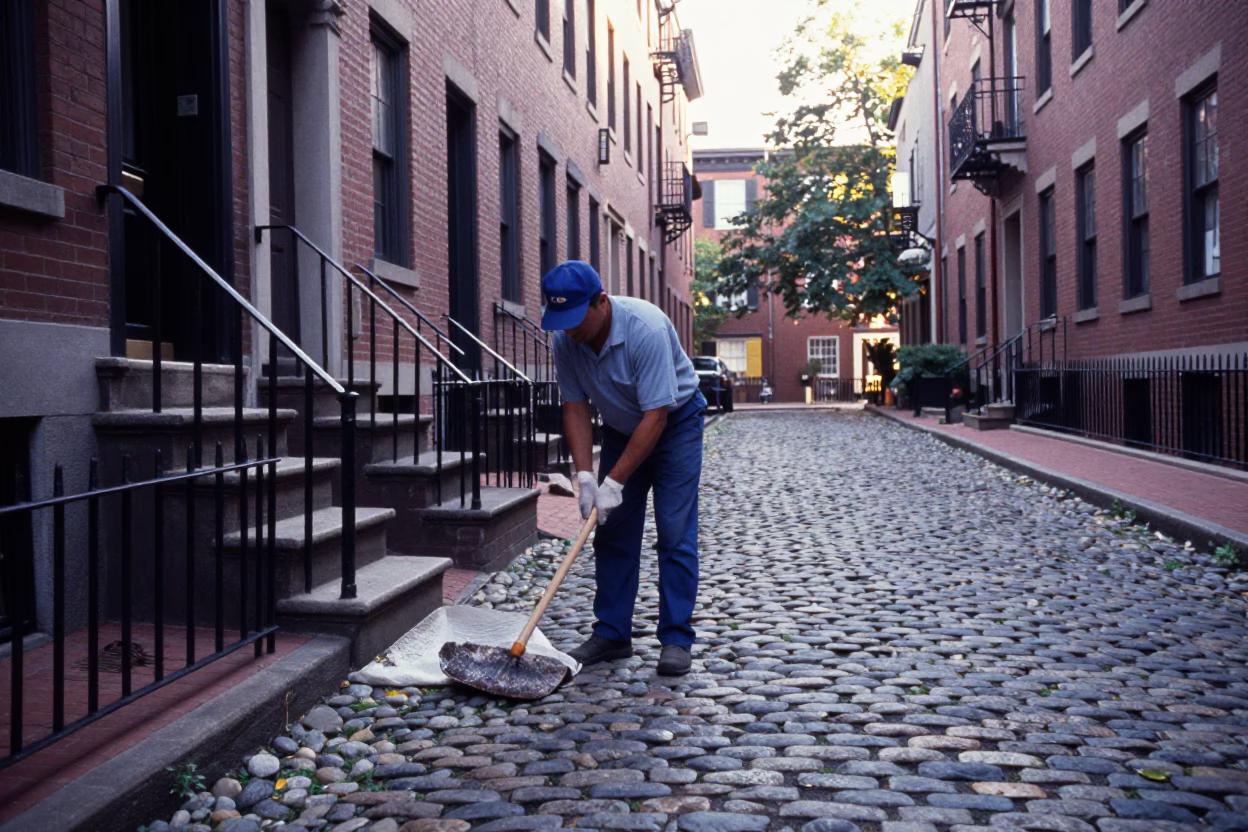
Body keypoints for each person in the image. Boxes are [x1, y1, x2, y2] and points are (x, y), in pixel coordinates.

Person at [540, 260, 705, 676]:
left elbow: (656, 417)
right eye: (563, 321)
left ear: (601, 302)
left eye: (577, 318)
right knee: (611, 531)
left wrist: (615, 481)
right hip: (620, 427)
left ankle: (676, 638)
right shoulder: (566, 338)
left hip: (675, 424)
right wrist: (585, 477)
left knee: (674, 530)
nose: (571, 330)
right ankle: (612, 633)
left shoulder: (645, 328)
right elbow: (575, 408)